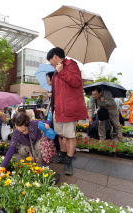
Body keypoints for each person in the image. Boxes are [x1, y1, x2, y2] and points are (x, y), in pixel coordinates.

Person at [47, 47, 87, 175]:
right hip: (58, 109)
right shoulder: (56, 70)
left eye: (50, 60)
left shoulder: (71, 65)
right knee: (60, 134)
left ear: (55, 57)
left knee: (70, 136)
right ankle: (63, 154)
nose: (50, 63)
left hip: (68, 109)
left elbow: (76, 82)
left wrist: (62, 71)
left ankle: (69, 160)